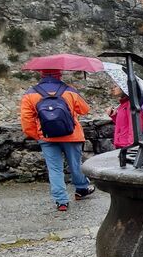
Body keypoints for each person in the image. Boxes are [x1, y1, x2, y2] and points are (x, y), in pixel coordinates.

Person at [19, 70, 94, 212]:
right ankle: (81, 189)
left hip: (47, 137)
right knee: (76, 164)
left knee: (54, 169)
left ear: (41, 75)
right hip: (72, 135)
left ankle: (61, 201)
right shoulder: (69, 91)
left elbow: (26, 121)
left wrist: (38, 135)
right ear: (59, 75)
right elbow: (85, 109)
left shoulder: (30, 94)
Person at [106, 79, 143, 149]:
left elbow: (134, 126)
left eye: (115, 86)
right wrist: (114, 115)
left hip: (127, 146)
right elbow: (123, 125)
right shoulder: (123, 105)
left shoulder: (132, 104)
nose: (112, 88)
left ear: (124, 87)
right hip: (121, 145)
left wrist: (132, 145)